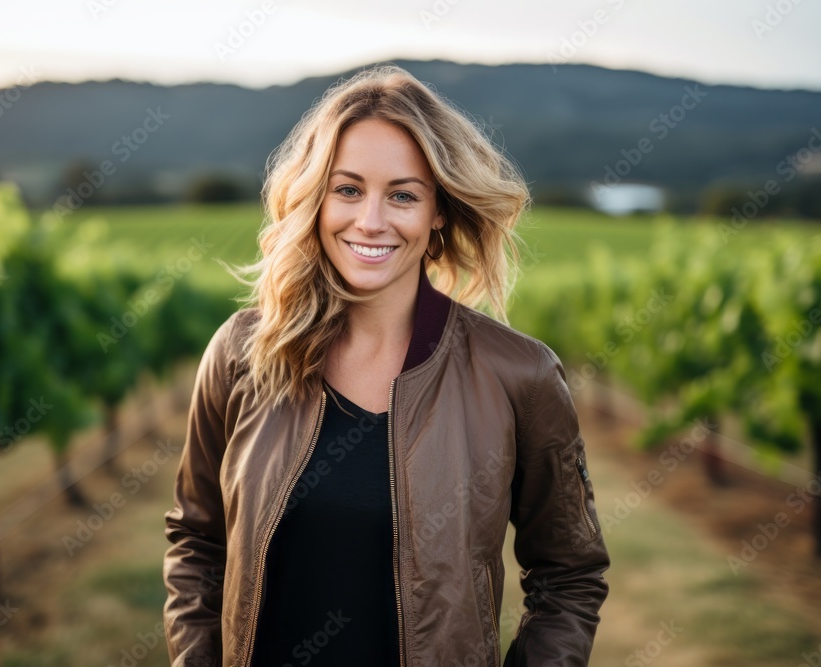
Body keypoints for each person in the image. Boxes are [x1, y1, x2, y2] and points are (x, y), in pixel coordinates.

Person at [163, 63, 610, 667]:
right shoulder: (243, 353)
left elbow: (569, 574)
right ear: (316, 200)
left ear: (439, 212)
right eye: (347, 189)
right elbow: (196, 541)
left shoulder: (519, 376)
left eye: (402, 195)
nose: (370, 221)